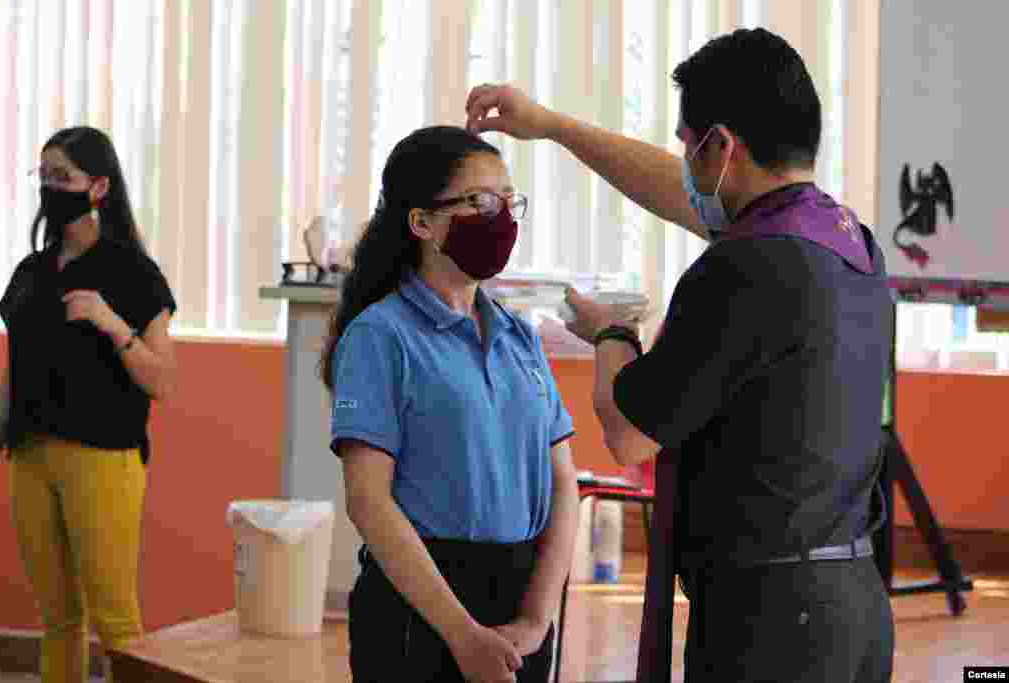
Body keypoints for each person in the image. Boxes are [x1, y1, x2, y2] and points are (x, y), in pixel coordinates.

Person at [466, 27, 895, 683]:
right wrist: (552, 126)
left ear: (722, 146)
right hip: (855, 603)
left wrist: (612, 336)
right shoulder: (848, 244)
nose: (686, 169)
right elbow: (677, 189)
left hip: (771, 625)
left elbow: (629, 433)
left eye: (689, 147)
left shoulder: (744, 266)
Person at [321, 125, 582, 683]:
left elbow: (564, 483)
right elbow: (368, 501)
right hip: (423, 610)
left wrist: (537, 617)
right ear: (421, 223)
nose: (502, 216)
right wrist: (462, 634)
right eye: (481, 201)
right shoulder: (380, 335)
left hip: (520, 610)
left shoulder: (520, 336)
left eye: (510, 201)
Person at [0, 126, 177, 682]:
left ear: (98, 187)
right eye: (43, 175)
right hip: (30, 458)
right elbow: (13, 378)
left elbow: (162, 381)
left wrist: (109, 320)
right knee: (57, 619)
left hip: (102, 461)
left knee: (117, 619)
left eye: (62, 176)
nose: (49, 187)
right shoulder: (31, 273)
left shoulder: (133, 272)